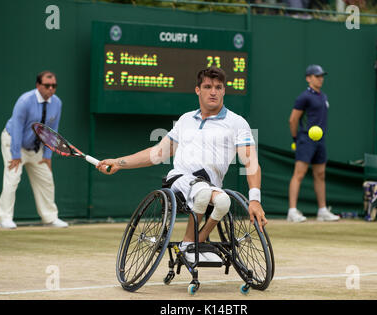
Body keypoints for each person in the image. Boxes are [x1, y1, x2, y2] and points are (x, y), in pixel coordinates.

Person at [97, 66, 267, 263]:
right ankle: (191, 244)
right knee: (203, 192)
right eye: (208, 86)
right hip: (178, 180)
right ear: (198, 90)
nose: (213, 92)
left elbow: (250, 160)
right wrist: (119, 163)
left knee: (223, 201)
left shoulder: (238, 123)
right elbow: (157, 153)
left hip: (211, 187)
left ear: (224, 91)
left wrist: (254, 199)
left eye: (218, 87)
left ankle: (191, 244)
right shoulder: (186, 119)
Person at [0, 71, 68, 229]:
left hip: (36, 149)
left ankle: (50, 218)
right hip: (13, 142)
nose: (51, 89)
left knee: (46, 179)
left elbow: (52, 131)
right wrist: (15, 155)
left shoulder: (57, 103)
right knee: (13, 178)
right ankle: (5, 219)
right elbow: (16, 128)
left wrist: (48, 155)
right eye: (47, 85)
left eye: (54, 86)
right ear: (38, 85)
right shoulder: (24, 101)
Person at [287, 64, 340, 222]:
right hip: (305, 140)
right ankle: (292, 211)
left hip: (320, 141)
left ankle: (322, 210)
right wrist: (296, 139)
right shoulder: (304, 97)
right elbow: (293, 119)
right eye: (317, 76)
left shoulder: (323, 96)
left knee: (320, 174)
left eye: (321, 76)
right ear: (308, 78)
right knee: (299, 174)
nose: (320, 79)